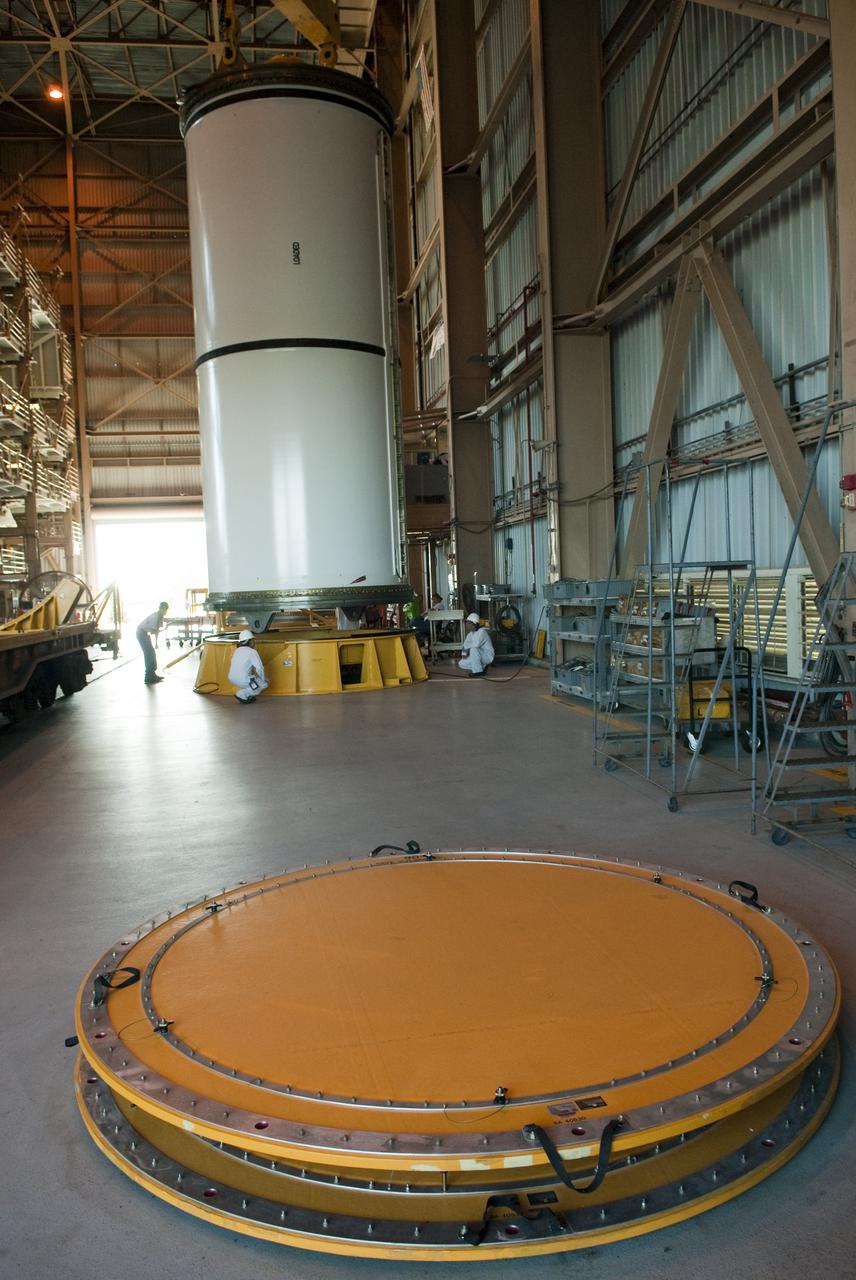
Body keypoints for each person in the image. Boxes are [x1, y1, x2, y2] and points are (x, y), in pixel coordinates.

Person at [228, 630, 269, 704]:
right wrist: (263, 679)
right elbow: (259, 668)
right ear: (250, 641)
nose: (254, 642)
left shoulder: (237, 650)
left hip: (232, 678)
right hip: (243, 679)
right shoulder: (252, 651)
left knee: (251, 679)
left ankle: (248, 695)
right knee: (264, 684)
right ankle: (242, 694)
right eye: (253, 640)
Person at [136, 601, 168, 685]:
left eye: (165, 610)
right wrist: (164, 629)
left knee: (151, 652)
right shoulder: (156, 617)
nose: (164, 612)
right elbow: (154, 631)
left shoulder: (160, 617)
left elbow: (156, 631)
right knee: (149, 653)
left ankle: (152, 674)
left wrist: (156, 643)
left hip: (145, 633)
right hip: (141, 632)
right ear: (160, 609)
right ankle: (148, 676)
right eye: (163, 609)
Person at [459, 612, 495, 676]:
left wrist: (468, 647)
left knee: (474, 649)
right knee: (461, 663)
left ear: (473, 624)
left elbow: (476, 645)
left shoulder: (482, 632)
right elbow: (465, 647)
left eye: (467, 622)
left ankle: (478, 671)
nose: (466, 624)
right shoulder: (470, 634)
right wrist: (463, 654)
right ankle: (482, 667)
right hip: (477, 656)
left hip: (487, 656)